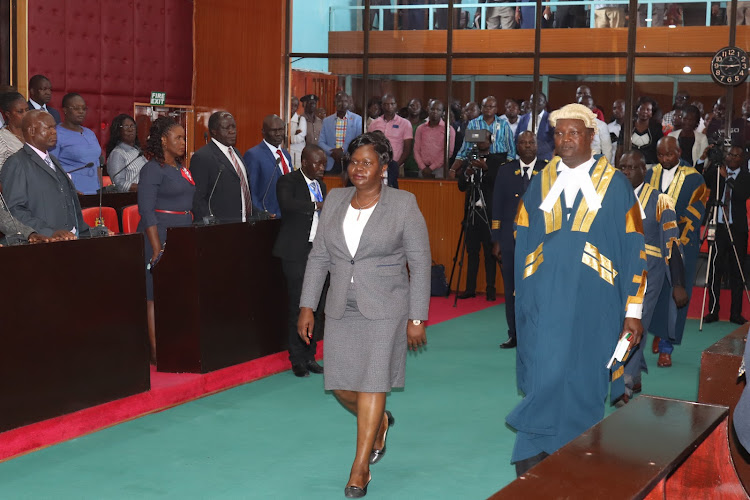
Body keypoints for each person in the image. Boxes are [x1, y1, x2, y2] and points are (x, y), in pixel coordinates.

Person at [508, 103, 646, 476]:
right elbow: (522, 240)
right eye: (558, 133)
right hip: (544, 300)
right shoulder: (540, 182)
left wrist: (632, 311)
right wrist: (523, 297)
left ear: (590, 137)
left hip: (594, 304)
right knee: (544, 372)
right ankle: (534, 450)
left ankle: (579, 451)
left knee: (584, 377)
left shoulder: (617, 186)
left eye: (573, 133)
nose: (565, 140)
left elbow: (636, 248)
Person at [297, 132, 430, 498]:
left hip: (386, 306)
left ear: (383, 168)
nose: (358, 168)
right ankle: (380, 421)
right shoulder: (335, 200)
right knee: (339, 383)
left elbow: (419, 263)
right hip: (341, 305)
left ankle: (360, 468)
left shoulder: (403, 204)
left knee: (373, 382)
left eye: (367, 163)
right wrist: (307, 305)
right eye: (354, 162)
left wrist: (417, 317)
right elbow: (320, 257)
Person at [618, 150, 686, 403]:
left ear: (643, 171)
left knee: (636, 322)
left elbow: (672, 243)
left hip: (650, 273)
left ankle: (624, 379)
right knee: (620, 323)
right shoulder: (611, 198)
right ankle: (634, 373)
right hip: (617, 271)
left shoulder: (662, 200)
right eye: (621, 167)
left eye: (631, 167)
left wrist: (678, 282)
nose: (625, 172)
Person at [645, 136, 707, 367]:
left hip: (680, 243)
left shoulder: (695, 178)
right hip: (652, 243)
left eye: (669, 155)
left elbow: (696, 211)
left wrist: (675, 233)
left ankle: (666, 347)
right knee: (653, 292)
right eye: (660, 155)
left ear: (679, 152)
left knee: (675, 295)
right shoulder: (650, 174)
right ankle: (658, 332)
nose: (664, 159)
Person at [137, 116, 195, 364]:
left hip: (182, 234)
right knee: (154, 297)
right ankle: (156, 352)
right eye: (178, 137)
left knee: (176, 295)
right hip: (158, 235)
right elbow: (146, 210)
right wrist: (157, 247)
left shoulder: (180, 167)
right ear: (163, 140)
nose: (183, 142)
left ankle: (176, 344)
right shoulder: (152, 169)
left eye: (184, 137)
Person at [274, 145, 328, 378]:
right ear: (304, 162)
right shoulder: (288, 181)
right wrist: (316, 206)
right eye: (317, 163)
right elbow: (288, 205)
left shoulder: (321, 185)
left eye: (324, 163)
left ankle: (310, 356)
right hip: (296, 252)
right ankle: (296, 359)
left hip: (318, 252)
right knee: (299, 305)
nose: (321, 168)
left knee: (317, 307)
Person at [491, 131, 545, 349]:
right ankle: (514, 333)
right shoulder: (505, 171)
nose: (527, 146)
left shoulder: (548, 171)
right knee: (512, 287)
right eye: (523, 143)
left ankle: (536, 332)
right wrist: (496, 240)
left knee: (537, 288)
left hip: (539, 241)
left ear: (537, 145)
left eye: (531, 142)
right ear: (517, 147)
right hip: (510, 241)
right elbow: (497, 206)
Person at [0, 110, 87, 241]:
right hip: (44, 243)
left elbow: (69, 203)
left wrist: (88, 231)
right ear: (32, 131)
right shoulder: (17, 163)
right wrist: (48, 232)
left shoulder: (53, 160)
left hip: (70, 239)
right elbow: (15, 210)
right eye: (49, 128)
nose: (54, 131)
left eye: (55, 127)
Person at [450, 129, 501, 302]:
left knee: (489, 253)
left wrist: (485, 169)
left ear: (491, 141)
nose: (480, 143)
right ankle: (469, 288)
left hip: (488, 212)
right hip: (472, 212)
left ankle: (490, 289)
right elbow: (461, 187)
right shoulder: (469, 159)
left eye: (484, 139)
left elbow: (497, 182)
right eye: (478, 140)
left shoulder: (496, 161)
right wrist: (466, 173)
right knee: (471, 252)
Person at [703, 146, 750, 325]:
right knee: (714, 268)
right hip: (718, 226)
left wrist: (727, 179)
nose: (731, 158)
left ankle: (735, 314)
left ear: (742, 159)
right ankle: (713, 310)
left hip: (737, 229)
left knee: (737, 271)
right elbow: (704, 181)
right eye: (729, 154)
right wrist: (706, 160)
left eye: (736, 156)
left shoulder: (746, 176)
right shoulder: (717, 171)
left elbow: (740, 195)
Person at [192, 111, 255, 223]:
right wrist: (210, 223)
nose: (232, 131)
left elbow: (243, 189)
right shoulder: (202, 157)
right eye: (226, 128)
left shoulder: (236, 152)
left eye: (233, 127)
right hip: (221, 228)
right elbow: (197, 199)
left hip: (245, 223)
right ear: (214, 131)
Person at [49, 93, 102, 195]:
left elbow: (97, 165)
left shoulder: (90, 133)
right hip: (72, 192)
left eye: (83, 108)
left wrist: (101, 190)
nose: (81, 112)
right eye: (76, 108)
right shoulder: (56, 134)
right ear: (65, 110)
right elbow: (51, 167)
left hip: (95, 193)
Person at [244, 114, 292, 218]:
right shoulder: (254, 155)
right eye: (273, 130)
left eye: (281, 129)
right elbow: (251, 192)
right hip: (267, 216)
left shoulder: (286, 155)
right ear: (263, 132)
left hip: (287, 216)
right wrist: (261, 214)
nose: (278, 134)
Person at [452, 96, 516, 171]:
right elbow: (466, 147)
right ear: (481, 109)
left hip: (499, 162)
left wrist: (506, 166)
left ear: (496, 109)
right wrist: (453, 168)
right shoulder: (473, 124)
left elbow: (511, 149)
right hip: (478, 160)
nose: (488, 108)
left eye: (491, 106)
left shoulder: (504, 124)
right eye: (485, 106)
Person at [368, 94, 414, 174]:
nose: (389, 107)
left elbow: (407, 149)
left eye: (392, 104)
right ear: (382, 106)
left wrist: (396, 165)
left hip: (397, 166)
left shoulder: (405, 123)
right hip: (377, 166)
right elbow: (369, 145)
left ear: (396, 105)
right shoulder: (374, 123)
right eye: (386, 104)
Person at [320, 92, 362, 174]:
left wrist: (342, 150)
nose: (343, 104)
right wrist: (332, 152)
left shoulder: (357, 120)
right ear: (335, 103)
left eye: (345, 101)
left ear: (348, 103)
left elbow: (358, 141)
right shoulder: (327, 121)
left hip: (350, 161)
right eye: (339, 101)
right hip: (331, 161)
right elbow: (321, 142)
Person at [105, 114, 147, 192]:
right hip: (130, 199)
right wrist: (143, 188)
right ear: (118, 131)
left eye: (132, 126)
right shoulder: (117, 154)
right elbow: (119, 183)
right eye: (126, 126)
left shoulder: (136, 150)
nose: (130, 129)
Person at [414, 100, 455, 179]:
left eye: (438, 110)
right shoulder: (420, 128)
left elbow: (448, 152)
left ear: (442, 112)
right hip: (422, 169)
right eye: (432, 109)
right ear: (428, 109)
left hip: (440, 169)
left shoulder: (449, 130)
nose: (435, 112)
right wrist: (423, 167)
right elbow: (416, 150)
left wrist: (431, 168)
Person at [618, 98, 663, 167]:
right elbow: (620, 147)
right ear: (637, 111)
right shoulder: (628, 125)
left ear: (651, 113)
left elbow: (659, 149)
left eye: (648, 110)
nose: (645, 112)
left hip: (650, 166)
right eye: (642, 109)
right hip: (629, 164)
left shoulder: (656, 128)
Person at [515, 93, 554, 161]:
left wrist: (537, 149)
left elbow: (554, 140)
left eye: (538, 100)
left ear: (544, 103)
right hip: (524, 158)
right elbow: (517, 137)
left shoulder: (550, 119)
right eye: (532, 100)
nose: (535, 103)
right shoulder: (523, 118)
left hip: (543, 158)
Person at [668, 105, 709, 171]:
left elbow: (705, 161)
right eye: (685, 119)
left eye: (691, 120)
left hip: (693, 173)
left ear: (696, 122)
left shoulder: (702, 138)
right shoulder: (671, 136)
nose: (687, 122)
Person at [579, 95, 613, 164]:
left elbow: (607, 151)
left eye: (587, 105)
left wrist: (605, 168)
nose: (583, 108)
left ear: (593, 108)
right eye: (581, 105)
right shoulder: (571, 125)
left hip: (595, 165)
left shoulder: (601, 125)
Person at [0, 92, 28, 171]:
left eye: (27, 110)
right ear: (8, 114)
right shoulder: (2, 139)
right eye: (20, 111)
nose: (25, 114)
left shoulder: (32, 134)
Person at [402, 98, 424, 178]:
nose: (415, 108)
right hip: (403, 164)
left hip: (421, 166)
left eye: (417, 106)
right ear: (408, 108)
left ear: (421, 108)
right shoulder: (402, 123)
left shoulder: (425, 125)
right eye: (412, 105)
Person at [289, 96, 307, 170]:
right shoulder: (282, 118)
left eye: (295, 105)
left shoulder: (301, 119)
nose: (292, 107)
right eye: (291, 104)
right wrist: (294, 135)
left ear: (297, 108)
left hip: (297, 156)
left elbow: (299, 138)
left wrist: (287, 138)